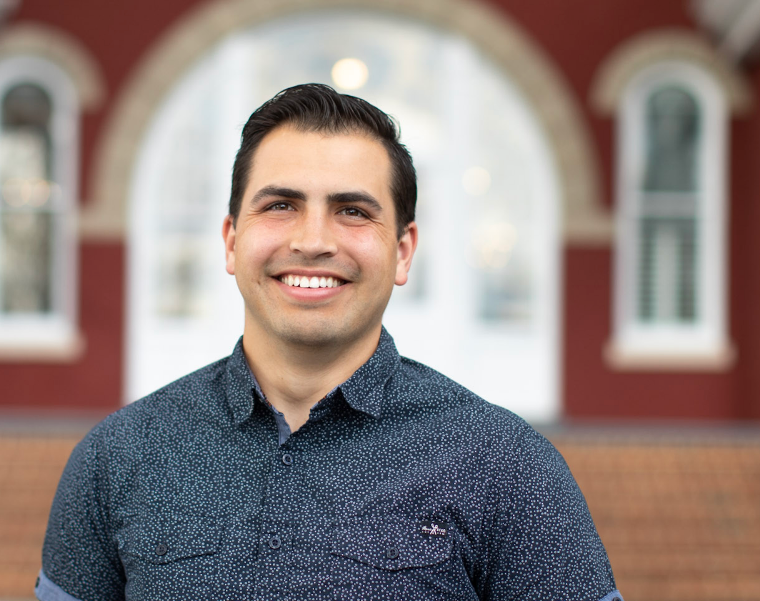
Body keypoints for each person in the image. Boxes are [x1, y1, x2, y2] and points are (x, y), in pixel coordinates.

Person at [36, 83, 621, 601]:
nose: (313, 240)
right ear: (231, 241)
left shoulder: (506, 465)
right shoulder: (116, 457)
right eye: (281, 205)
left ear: (403, 250)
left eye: (352, 211)